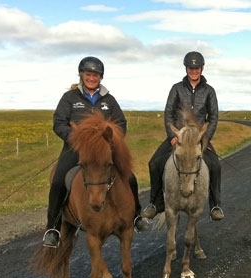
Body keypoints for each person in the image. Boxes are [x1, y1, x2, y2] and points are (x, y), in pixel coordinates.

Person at [43, 56, 148, 248]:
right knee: (58, 181)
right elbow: (59, 123)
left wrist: (112, 141)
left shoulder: (109, 100)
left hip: (104, 152)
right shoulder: (70, 98)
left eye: (96, 75)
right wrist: (76, 138)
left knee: (130, 177)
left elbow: (121, 124)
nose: (92, 78)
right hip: (76, 149)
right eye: (88, 74)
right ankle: (53, 228)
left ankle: (136, 216)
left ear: (101, 77)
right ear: (82, 75)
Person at [142, 51, 224, 221]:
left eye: (197, 68)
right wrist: (173, 135)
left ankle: (215, 205)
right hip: (178, 136)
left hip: (199, 138)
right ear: (186, 69)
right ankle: (155, 203)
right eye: (190, 67)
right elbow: (168, 113)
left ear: (202, 69)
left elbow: (213, 117)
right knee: (154, 163)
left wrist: (205, 138)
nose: (194, 70)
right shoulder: (177, 88)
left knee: (215, 166)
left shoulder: (209, 91)